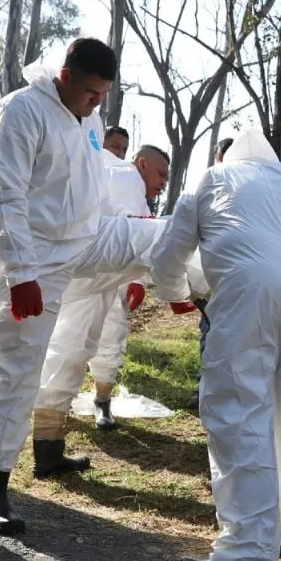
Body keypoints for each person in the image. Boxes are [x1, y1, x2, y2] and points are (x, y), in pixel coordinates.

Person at [0, 37, 166, 535]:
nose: (94, 104)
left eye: (101, 95)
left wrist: (164, 279)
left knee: (162, 237)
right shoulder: (20, 112)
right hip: (35, 255)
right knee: (18, 366)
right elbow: (5, 199)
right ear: (63, 75)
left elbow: (88, 184)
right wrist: (21, 276)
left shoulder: (89, 117)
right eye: (88, 93)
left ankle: (197, 290)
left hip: (89, 236)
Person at [152, 128, 281, 561]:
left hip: (251, 288)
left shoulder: (212, 178)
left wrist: (176, 293)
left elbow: (169, 253)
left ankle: (245, 554)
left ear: (225, 155)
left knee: (237, 411)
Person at [30, 144, 170, 471]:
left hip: (83, 268)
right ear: (142, 163)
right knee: (85, 344)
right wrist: (141, 277)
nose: (163, 182)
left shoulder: (103, 171)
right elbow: (125, 232)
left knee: (73, 346)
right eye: (161, 173)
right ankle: (53, 443)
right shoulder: (126, 176)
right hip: (94, 269)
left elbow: (114, 219)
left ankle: (49, 447)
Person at [184, 136, 232, 411]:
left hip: (240, 281)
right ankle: (205, 388)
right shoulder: (208, 188)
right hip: (212, 281)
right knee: (209, 334)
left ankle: (225, 391)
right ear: (217, 159)